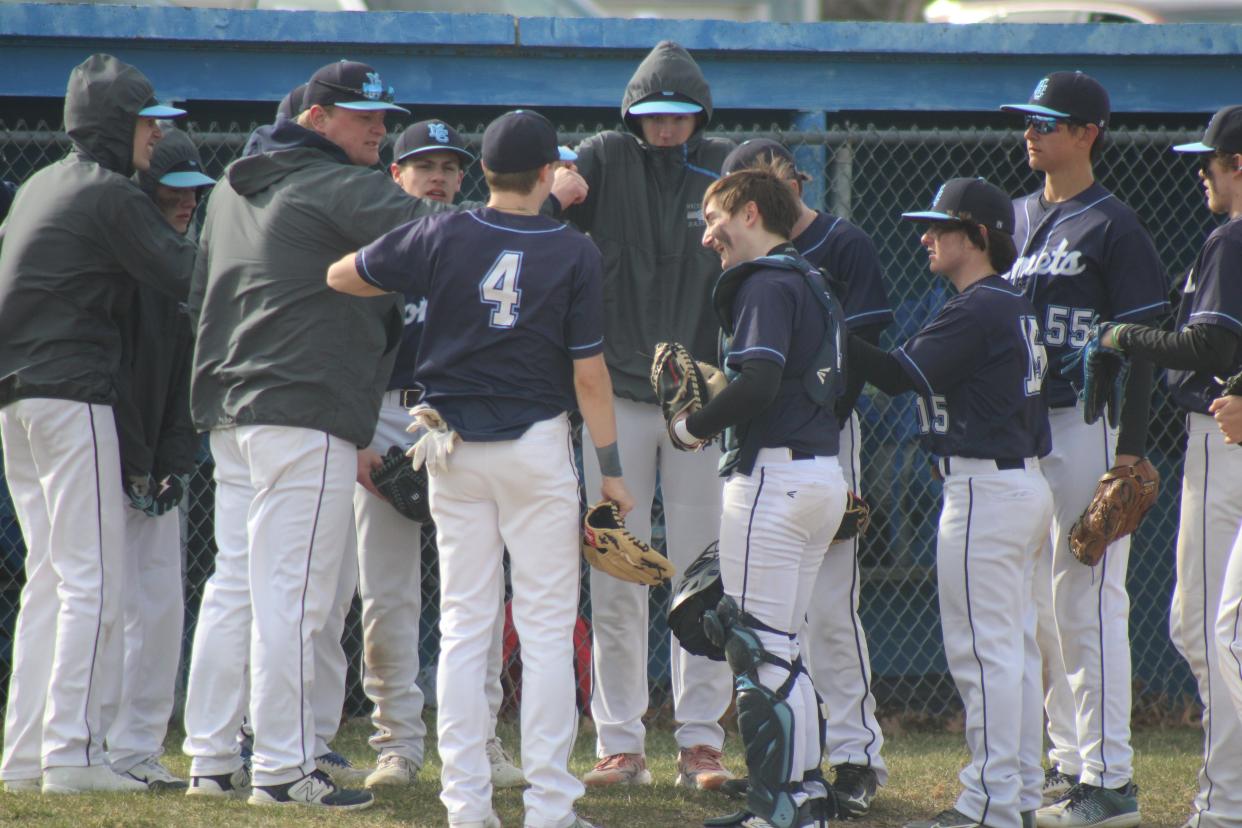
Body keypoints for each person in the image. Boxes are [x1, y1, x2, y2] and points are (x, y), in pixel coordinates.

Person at [327, 108, 628, 828]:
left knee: (465, 625)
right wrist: (611, 470)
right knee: (549, 629)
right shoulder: (571, 249)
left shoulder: (441, 230)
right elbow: (591, 379)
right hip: (535, 448)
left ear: (483, 171)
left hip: (451, 447)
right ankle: (551, 807)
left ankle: (466, 807)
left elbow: (342, 275)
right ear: (549, 173)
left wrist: (416, 274)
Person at [182, 59, 456, 810]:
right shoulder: (333, 180)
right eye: (362, 115)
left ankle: (211, 756)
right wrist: (529, 208)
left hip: (237, 407)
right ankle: (283, 768)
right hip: (300, 407)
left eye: (382, 116)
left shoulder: (240, 186)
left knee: (237, 584)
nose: (379, 128)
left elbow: (199, 293)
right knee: (293, 593)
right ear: (315, 120)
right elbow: (440, 236)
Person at [0, 53, 195, 794]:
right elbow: (189, 274)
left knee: (51, 580)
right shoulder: (112, 193)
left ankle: (24, 760)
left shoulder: (43, 184)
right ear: (119, 125)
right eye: (149, 122)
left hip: (18, 398)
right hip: (72, 391)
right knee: (94, 580)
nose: (157, 137)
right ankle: (73, 757)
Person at [848, 177, 1053, 828]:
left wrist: (816, 322)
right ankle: (1016, 791)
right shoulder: (1006, 301)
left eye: (941, 226)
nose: (926, 236)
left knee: (984, 652)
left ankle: (989, 803)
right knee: (1012, 650)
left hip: (986, 488)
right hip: (1015, 482)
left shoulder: (979, 306)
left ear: (979, 236)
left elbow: (892, 376)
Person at [562, 38, 738, 791]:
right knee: (617, 569)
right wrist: (562, 179)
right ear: (632, 114)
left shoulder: (727, 162)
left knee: (702, 573)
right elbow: (557, 194)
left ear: (700, 115)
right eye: (654, 116)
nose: (666, 130)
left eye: (679, 117)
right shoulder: (605, 153)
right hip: (616, 396)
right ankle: (620, 742)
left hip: (698, 400)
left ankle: (701, 741)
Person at [999, 71, 1168, 828]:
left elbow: (1140, 347)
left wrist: (1130, 452)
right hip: (1025, 429)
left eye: (1048, 121)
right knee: (1041, 607)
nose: (1031, 131)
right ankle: (1069, 764)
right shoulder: (1016, 215)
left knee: (1089, 601)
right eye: (1028, 120)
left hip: (1087, 426)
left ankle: (1111, 779)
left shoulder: (1113, 224)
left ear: (1087, 132)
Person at [1075, 105, 1242, 828]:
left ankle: (1225, 801)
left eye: (1210, 161)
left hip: (1225, 442)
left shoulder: (1231, 240)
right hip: (1218, 433)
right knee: (1207, 630)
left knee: (1213, 632)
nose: (1202, 173)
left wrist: (1122, 334)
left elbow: (1207, 349)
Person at [720, 139, 892, 817]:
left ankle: (852, 757)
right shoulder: (753, 263)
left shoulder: (837, 246)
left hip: (816, 439)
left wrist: (818, 433)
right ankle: (793, 771)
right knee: (774, 622)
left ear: (793, 184)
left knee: (823, 612)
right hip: (777, 444)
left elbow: (861, 353)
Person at [354, 118, 524, 790]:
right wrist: (361, 434)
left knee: (477, 591)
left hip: (465, 416)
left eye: (451, 166)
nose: (438, 176)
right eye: (422, 163)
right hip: (388, 414)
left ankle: (481, 741)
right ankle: (397, 742)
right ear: (395, 175)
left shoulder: (483, 242)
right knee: (387, 594)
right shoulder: (377, 241)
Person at [675, 167, 846, 828]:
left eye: (714, 219)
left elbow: (760, 382)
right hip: (819, 473)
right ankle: (802, 795)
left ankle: (775, 807)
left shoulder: (768, 279)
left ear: (749, 212)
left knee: (756, 647)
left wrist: (692, 427)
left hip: (774, 479)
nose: (708, 236)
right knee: (783, 646)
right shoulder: (812, 279)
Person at [105, 127, 216, 791]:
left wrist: (172, 456)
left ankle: (139, 745)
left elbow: (184, 380)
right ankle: (96, 745)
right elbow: (119, 373)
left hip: (162, 454)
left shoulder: (188, 261)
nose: (186, 203)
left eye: (193, 192)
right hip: (116, 450)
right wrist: (138, 456)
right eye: (172, 191)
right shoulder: (125, 262)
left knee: (160, 603)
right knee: (110, 603)